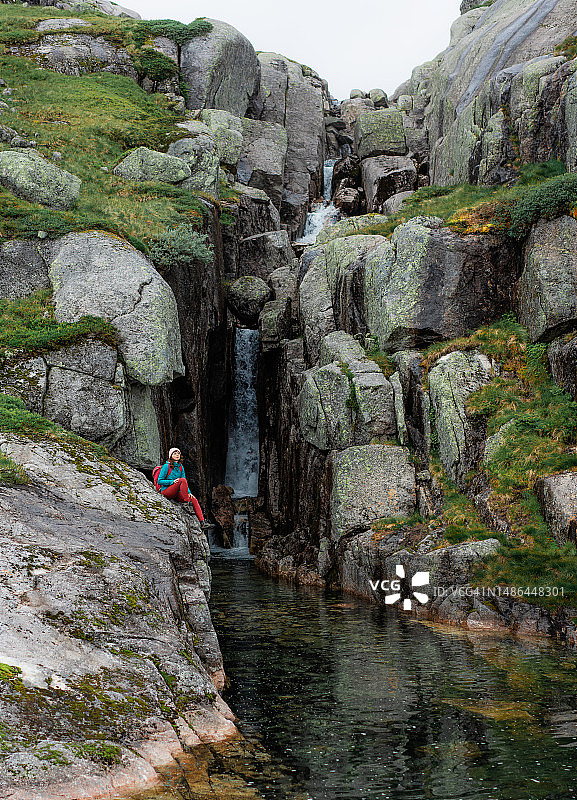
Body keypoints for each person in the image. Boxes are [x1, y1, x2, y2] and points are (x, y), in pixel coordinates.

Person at [158, 447, 204, 522]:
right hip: (166, 491)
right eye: (174, 453)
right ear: (171, 456)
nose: (177, 455)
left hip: (176, 493)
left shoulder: (181, 467)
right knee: (181, 480)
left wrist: (189, 493)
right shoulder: (166, 466)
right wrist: (172, 482)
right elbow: (159, 481)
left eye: (178, 453)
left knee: (193, 499)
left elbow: (185, 482)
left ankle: (202, 522)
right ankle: (186, 504)